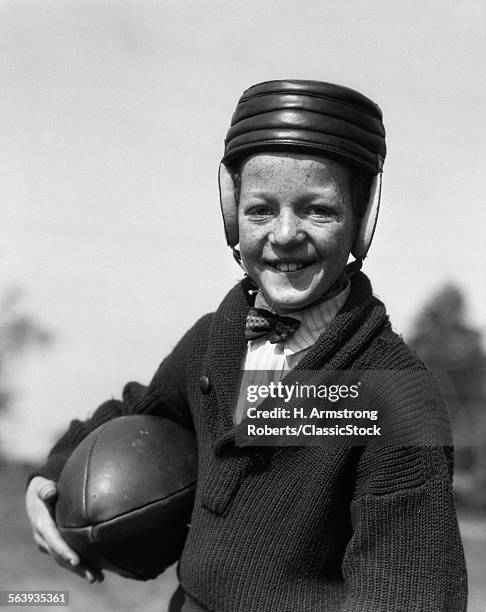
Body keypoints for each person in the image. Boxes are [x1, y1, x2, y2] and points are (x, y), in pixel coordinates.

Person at [26, 80, 468, 611]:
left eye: (317, 210)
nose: (283, 234)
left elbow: (408, 591)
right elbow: (141, 409)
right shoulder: (215, 339)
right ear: (232, 214)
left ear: (361, 220)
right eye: (260, 210)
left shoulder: (394, 394)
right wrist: (53, 474)